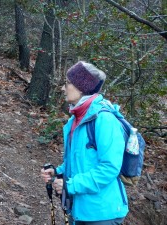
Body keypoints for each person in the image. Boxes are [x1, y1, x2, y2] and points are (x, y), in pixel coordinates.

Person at [41, 61, 129, 225]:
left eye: (67, 83)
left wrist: (71, 185)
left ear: (81, 87)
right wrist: (57, 172)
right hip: (80, 210)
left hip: (103, 214)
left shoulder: (104, 119)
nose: (63, 88)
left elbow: (110, 167)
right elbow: (78, 161)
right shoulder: (76, 119)